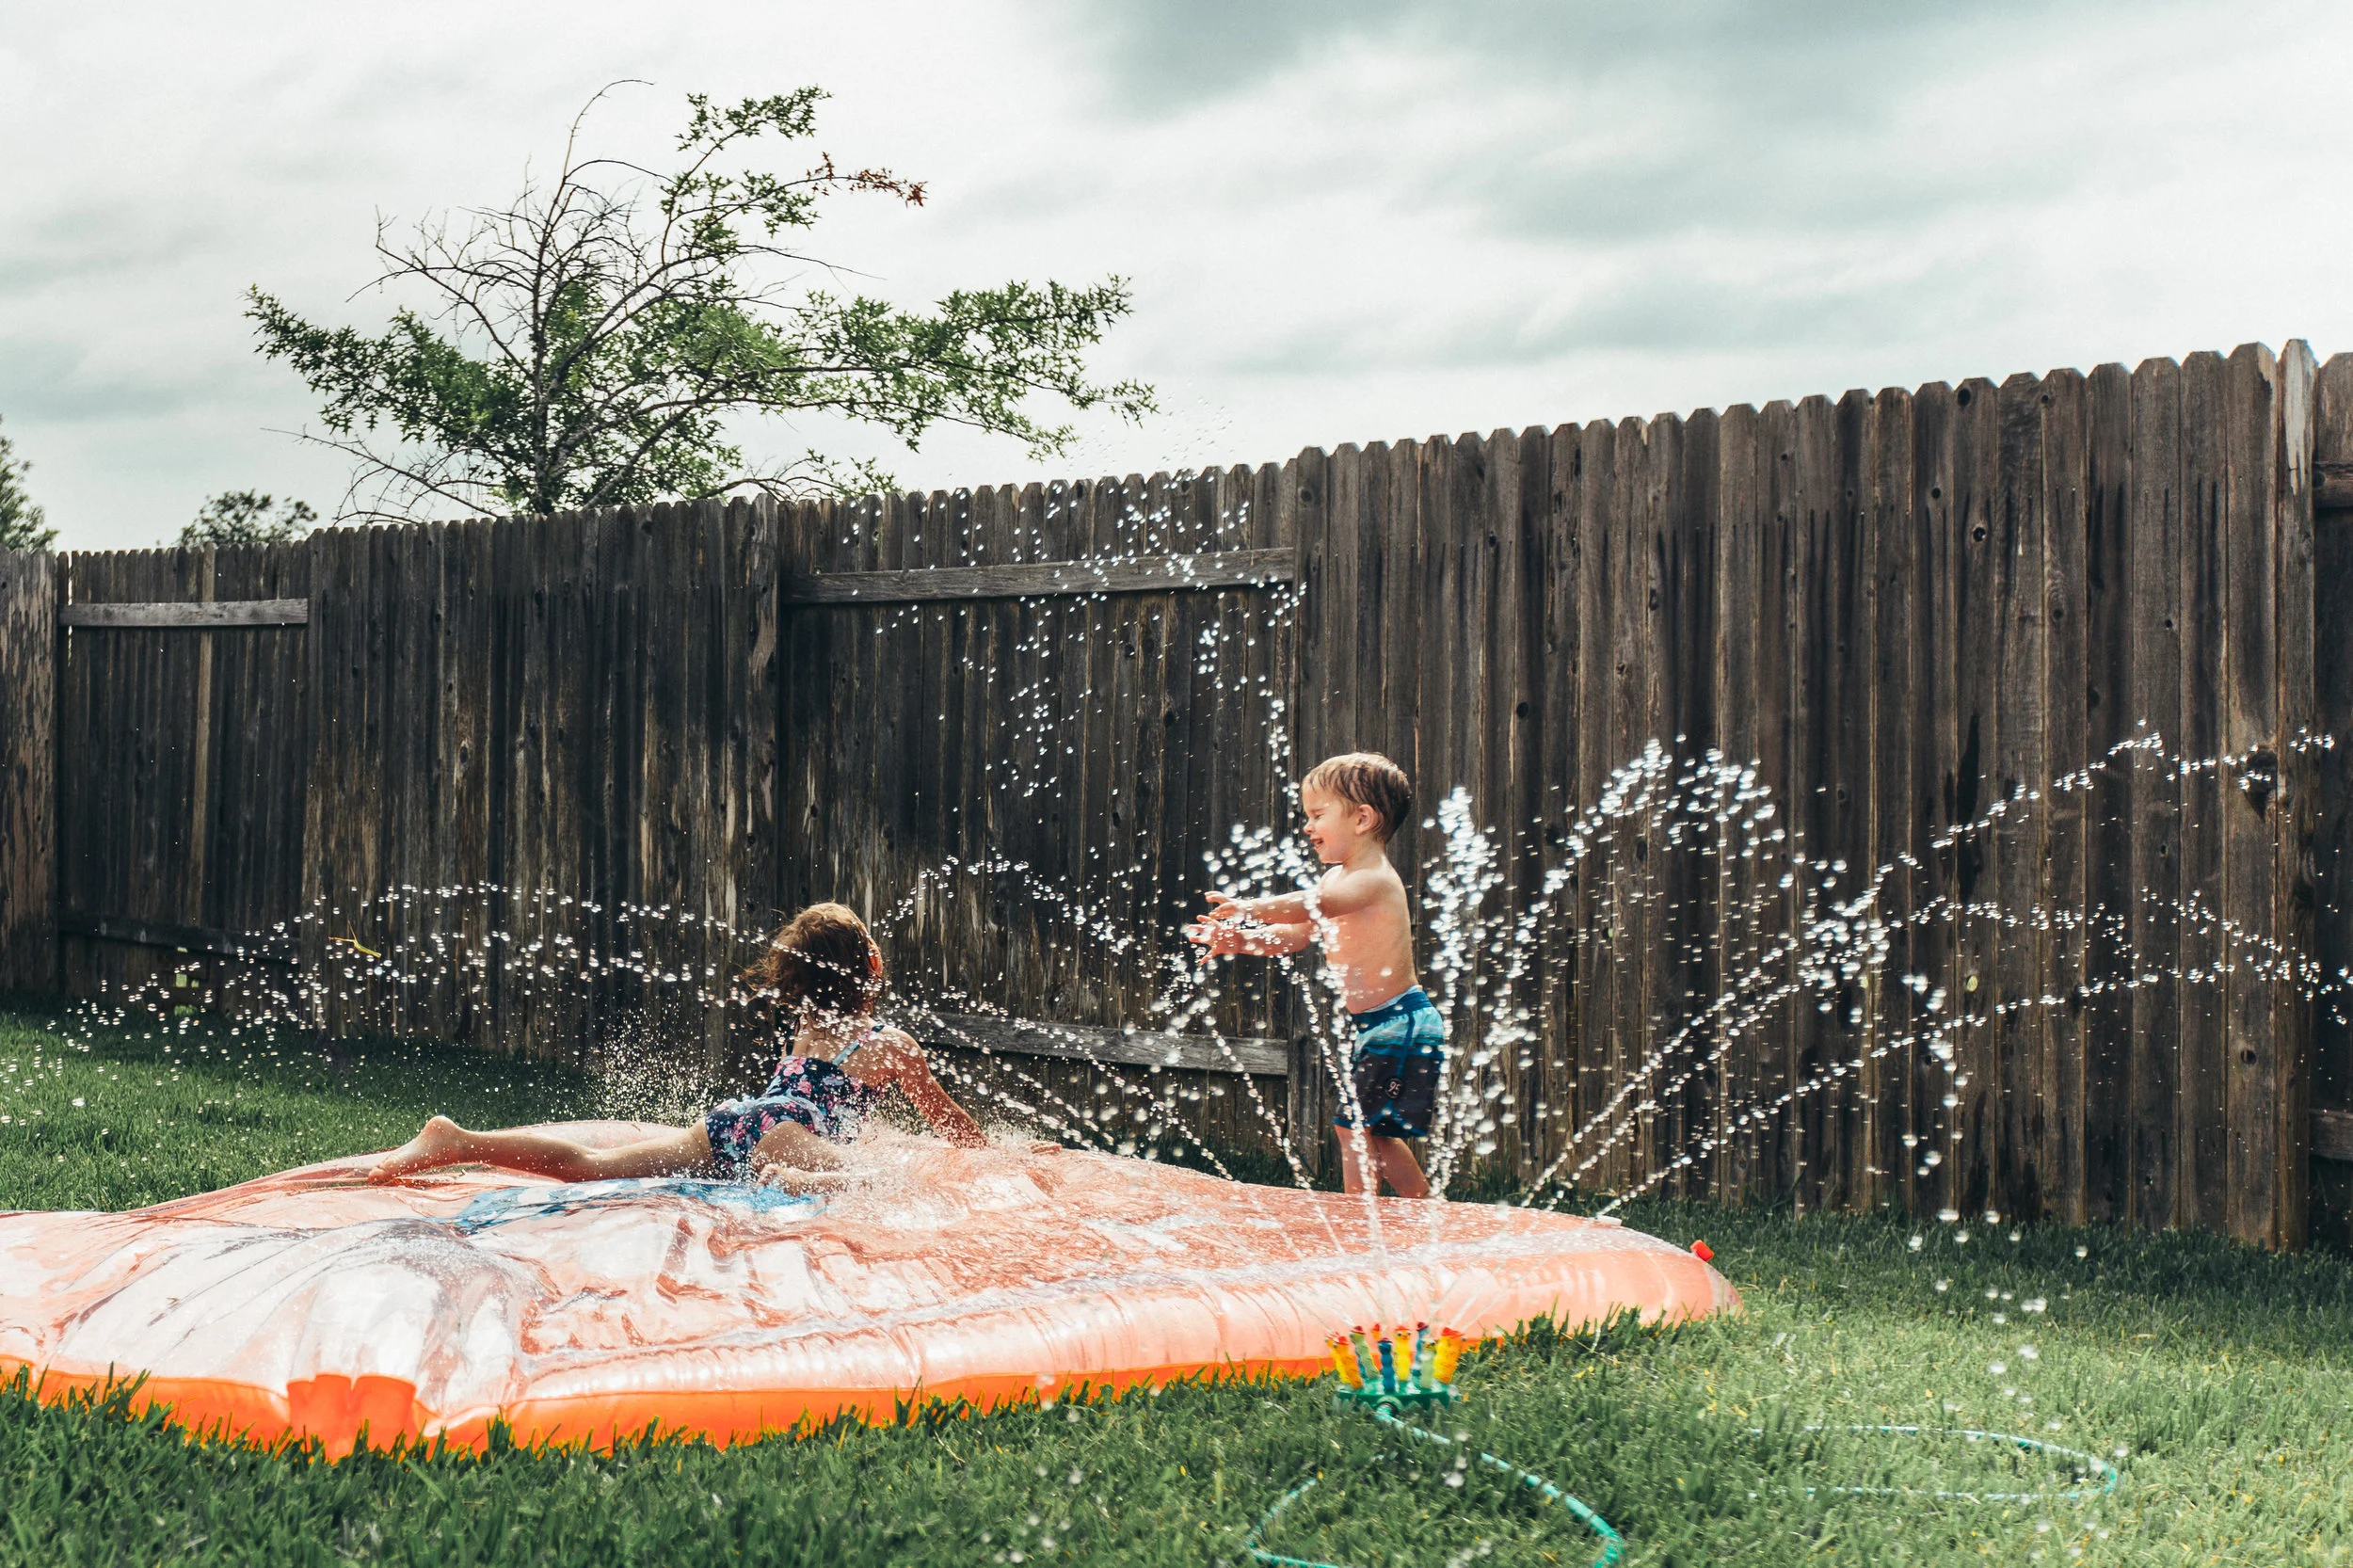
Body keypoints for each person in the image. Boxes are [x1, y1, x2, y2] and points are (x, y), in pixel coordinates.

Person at [371, 902, 990, 1192]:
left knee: (593, 1167)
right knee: (894, 1182)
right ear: (874, 965)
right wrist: (1003, 1159)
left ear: (798, 983)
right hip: (787, 1139)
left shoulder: (806, 1022)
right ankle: (795, 1182)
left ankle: (459, 1141)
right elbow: (950, 1124)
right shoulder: (890, 1045)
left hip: (736, 1124)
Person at [1186, 752, 1437, 1199]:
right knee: (1372, 1132)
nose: (1307, 827)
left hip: (1402, 1022)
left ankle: (1360, 1218)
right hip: (1379, 1025)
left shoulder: (1375, 880)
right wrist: (1240, 941)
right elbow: (1296, 936)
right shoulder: (1338, 879)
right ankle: (1423, 1212)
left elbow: (1312, 906)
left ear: (1362, 819)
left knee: (1352, 1127)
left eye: (1318, 815)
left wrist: (1249, 907)